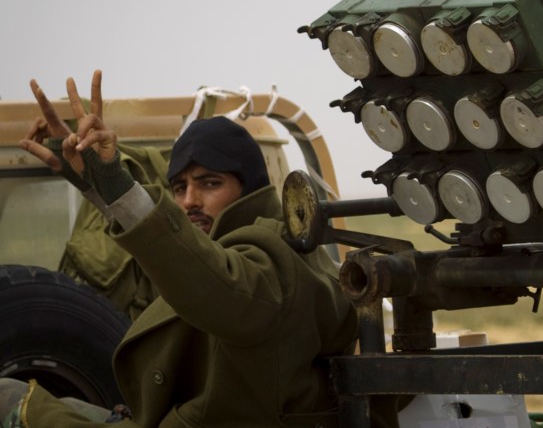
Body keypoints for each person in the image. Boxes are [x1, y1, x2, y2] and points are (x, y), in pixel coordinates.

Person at [1, 70, 360, 428]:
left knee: (9, 403)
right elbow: (179, 263)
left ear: (248, 189)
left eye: (210, 183)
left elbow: (221, 287)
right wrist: (88, 175)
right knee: (37, 399)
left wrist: (114, 183)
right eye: (179, 187)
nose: (189, 201)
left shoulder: (272, 255)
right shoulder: (208, 251)